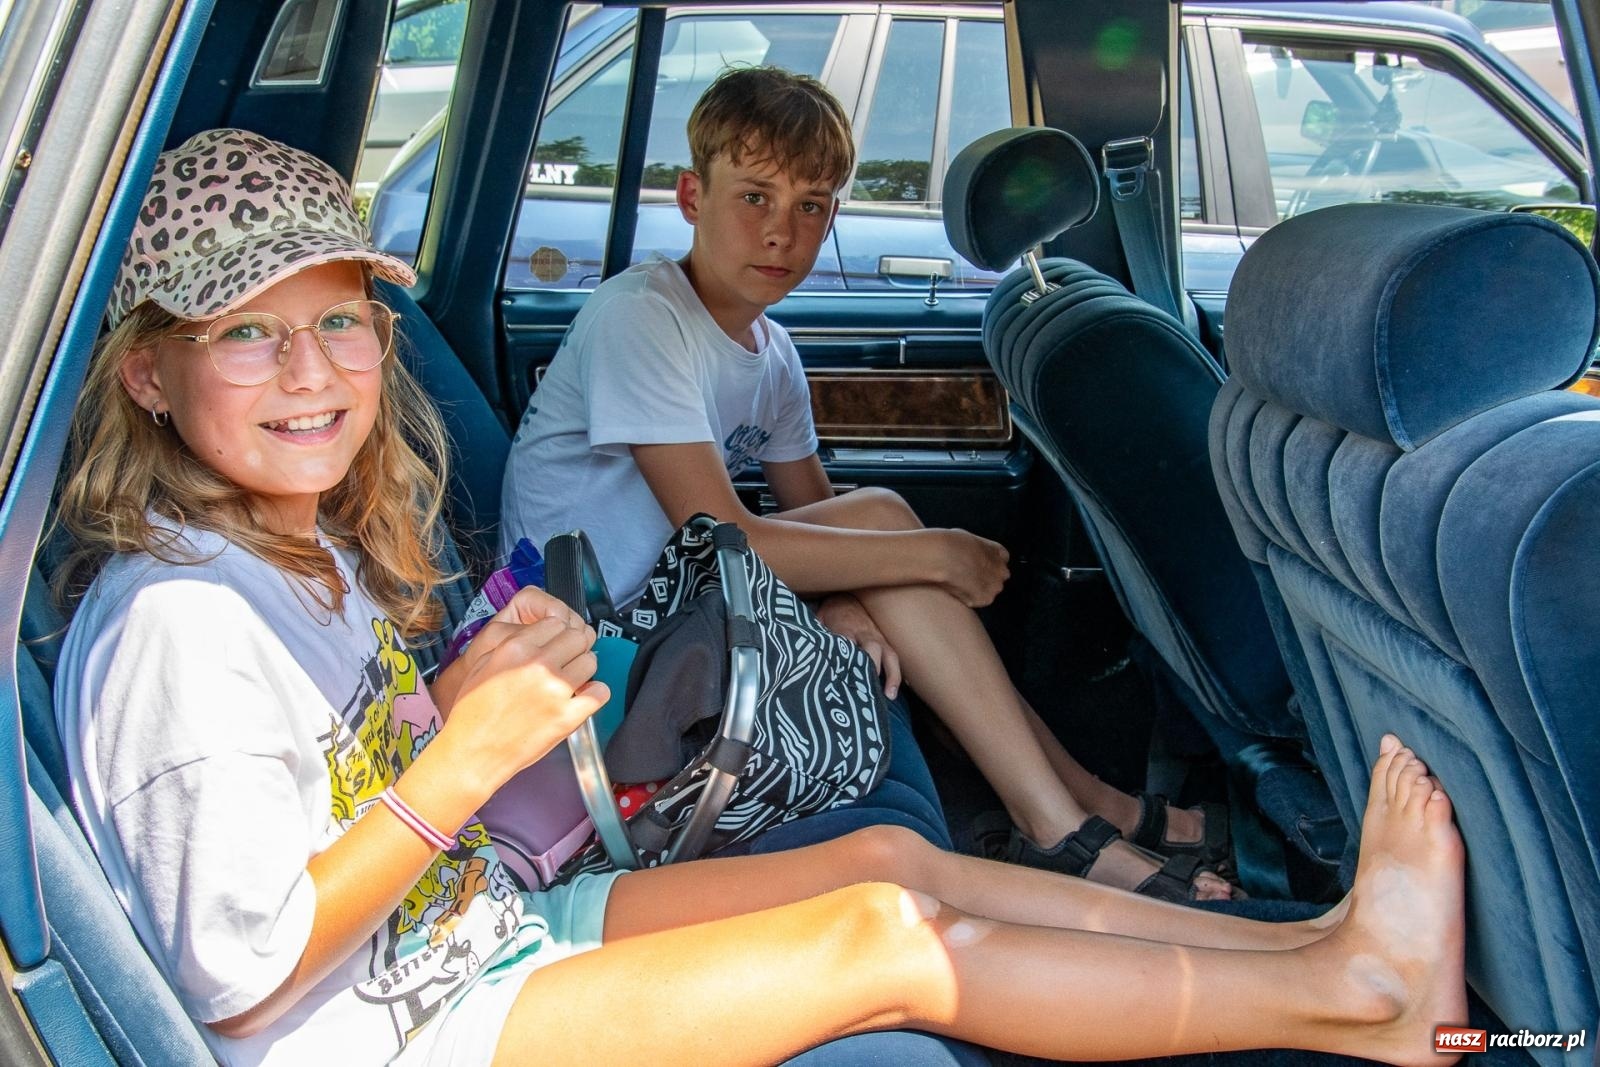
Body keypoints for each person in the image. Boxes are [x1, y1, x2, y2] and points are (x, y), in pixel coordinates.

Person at [54, 126, 1468, 1067]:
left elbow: (352, 773)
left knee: (894, 863)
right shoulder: (175, 623)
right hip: (399, 1022)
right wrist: (461, 752)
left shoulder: (311, 552)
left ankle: (1316, 944)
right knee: (892, 943)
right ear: (146, 375)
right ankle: (1356, 995)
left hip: (466, 921)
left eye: (340, 321)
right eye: (247, 335)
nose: (310, 373)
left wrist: (468, 691)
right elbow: (236, 977)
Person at [499, 66, 1231, 901]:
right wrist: (934, 557)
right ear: (692, 197)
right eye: (755, 197)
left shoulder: (771, 355)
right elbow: (720, 530)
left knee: (882, 516)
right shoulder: (644, 316)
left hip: (687, 610)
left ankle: (1079, 811)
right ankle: (1064, 824)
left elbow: (819, 515)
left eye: (810, 206)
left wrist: (853, 597)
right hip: (592, 640)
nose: (781, 232)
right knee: (897, 535)